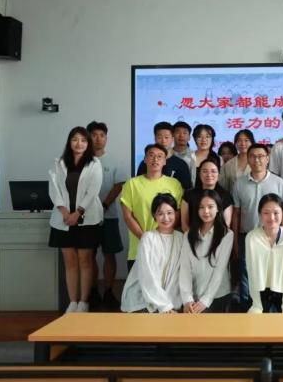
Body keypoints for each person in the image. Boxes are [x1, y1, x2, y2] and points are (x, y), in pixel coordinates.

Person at [48, 126, 103, 313]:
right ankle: (73, 301)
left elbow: (93, 191)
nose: (79, 143)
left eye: (83, 140)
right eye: (75, 139)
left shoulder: (94, 163)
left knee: (85, 261)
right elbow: (53, 189)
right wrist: (65, 212)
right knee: (70, 262)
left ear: (88, 144)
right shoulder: (58, 163)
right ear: (69, 142)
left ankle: (83, 301)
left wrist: (77, 213)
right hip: (63, 220)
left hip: (87, 219)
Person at [232, 143, 283, 311]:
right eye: (252, 156)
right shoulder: (239, 184)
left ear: (267, 158)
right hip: (247, 237)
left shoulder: (279, 182)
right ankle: (249, 310)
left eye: (261, 156)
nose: (257, 160)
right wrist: (235, 241)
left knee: (273, 275)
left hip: (274, 238)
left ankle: (272, 312)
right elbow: (236, 214)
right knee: (247, 276)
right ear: (247, 159)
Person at [120, 144, 183, 271]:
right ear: (145, 159)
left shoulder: (174, 184)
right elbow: (128, 216)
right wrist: (146, 239)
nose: (155, 159)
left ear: (165, 161)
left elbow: (177, 213)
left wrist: (160, 238)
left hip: (167, 246)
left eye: (160, 156)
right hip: (139, 246)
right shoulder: (131, 184)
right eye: (151, 155)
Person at [86, 121, 126, 309]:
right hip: (86, 218)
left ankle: (109, 291)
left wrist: (103, 205)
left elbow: (118, 186)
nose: (98, 139)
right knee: (89, 255)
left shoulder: (114, 161)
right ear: (88, 137)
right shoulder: (82, 161)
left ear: (106, 139)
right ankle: (93, 290)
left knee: (110, 254)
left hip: (109, 216)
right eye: (94, 135)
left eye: (102, 135)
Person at [121, 193, 183, 313]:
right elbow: (147, 276)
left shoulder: (181, 238)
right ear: (154, 215)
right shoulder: (148, 238)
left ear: (176, 213)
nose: (166, 218)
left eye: (169, 213)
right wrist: (164, 306)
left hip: (169, 301)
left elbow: (178, 275)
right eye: (160, 214)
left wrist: (168, 304)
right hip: (142, 299)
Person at [180, 190, 233, 313]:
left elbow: (219, 270)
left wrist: (205, 300)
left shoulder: (227, 235)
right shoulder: (188, 235)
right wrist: (187, 299)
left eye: (210, 207)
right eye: (201, 207)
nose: (206, 211)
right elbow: (185, 268)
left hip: (217, 295)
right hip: (194, 296)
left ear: (218, 208)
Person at [246, 193, 283, 313]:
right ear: (260, 214)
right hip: (260, 293)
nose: (271, 218)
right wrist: (257, 303)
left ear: (282, 213)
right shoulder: (252, 237)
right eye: (266, 213)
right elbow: (251, 271)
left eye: (276, 213)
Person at [181, 158, 233, 232]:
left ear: (219, 175)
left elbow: (226, 226)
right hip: (191, 236)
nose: (209, 175)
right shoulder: (189, 194)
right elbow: (184, 225)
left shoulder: (226, 196)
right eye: (205, 171)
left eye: (213, 171)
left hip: (218, 237)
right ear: (199, 174)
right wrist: (194, 237)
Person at [136, 121, 192, 190]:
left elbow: (186, 189)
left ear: (172, 139)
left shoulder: (181, 164)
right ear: (155, 139)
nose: (163, 141)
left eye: (166, 137)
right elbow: (138, 184)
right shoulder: (146, 163)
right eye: (160, 137)